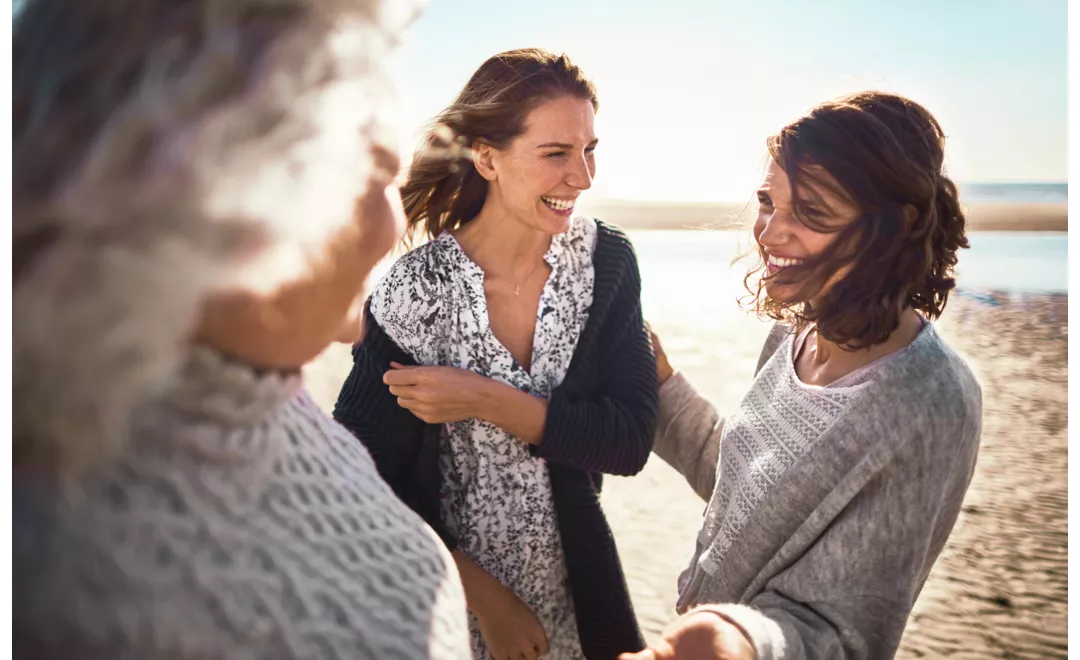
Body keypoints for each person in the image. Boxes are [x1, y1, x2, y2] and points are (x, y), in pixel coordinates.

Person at [12, 1, 470, 658]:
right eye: (378, 173)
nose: (394, 224)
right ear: (218, 192)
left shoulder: (262, 393)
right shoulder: (70, 603)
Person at [620, 92, 982, 660]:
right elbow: (748, 492)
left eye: (811, 213)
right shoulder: (794, 335)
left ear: (898, 225)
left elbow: (848, 633)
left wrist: (736, 642)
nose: (769, 232)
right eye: (768, 201)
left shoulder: (932, 399)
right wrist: (662, 381)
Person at [333, 48, 657, 660]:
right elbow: (358, 478)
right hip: (440, 610)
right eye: (557, 153)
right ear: (487, 157)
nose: (583, 177)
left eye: (590, 150)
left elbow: (630, 440)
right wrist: (480, 596)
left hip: (576, 604)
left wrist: (488, 399)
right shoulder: (416, 291)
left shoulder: (606, 264)